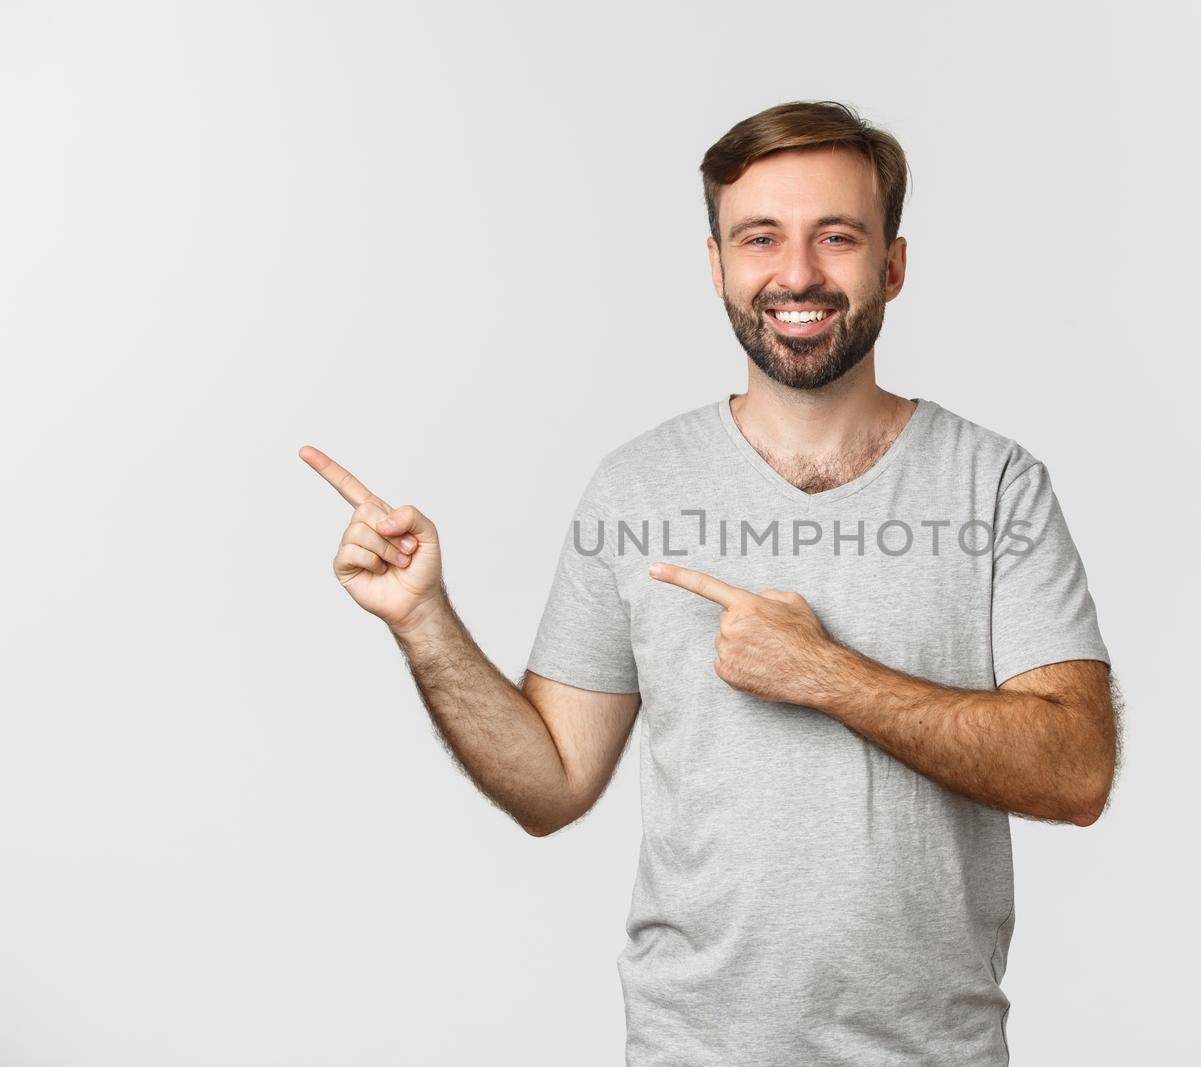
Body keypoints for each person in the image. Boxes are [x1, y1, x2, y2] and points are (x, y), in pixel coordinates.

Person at [300, 99, 1120, 1067]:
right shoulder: (636, 486)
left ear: (891, 265)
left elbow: (1074, 769)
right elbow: (551, 782)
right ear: (717, 264)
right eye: (760, 238)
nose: (798, 273)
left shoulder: (995, 484)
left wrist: (826, 674)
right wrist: (423, 619)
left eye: (838, 237)